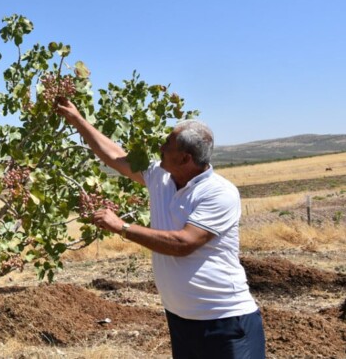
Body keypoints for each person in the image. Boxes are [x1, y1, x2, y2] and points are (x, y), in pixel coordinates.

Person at [56, 97, 266, 358]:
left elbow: (183, 244)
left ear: (185, 158)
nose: (160, 147)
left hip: (225, 321)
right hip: (181, 319)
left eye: (167, 144)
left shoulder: (218, 192)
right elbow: (114, 155)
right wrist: (76, 119)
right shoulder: (159, 176)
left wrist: (122, 227)